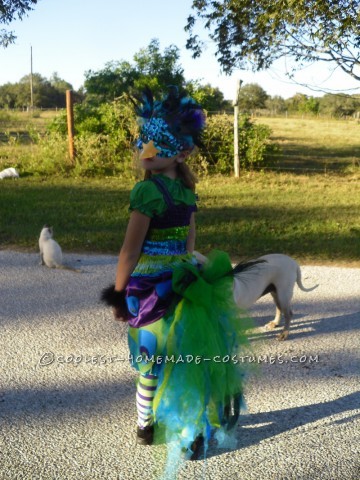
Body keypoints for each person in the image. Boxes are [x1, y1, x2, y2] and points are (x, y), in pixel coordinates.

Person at [101, 87, 251, 465]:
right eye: (143, 139)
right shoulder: (186, 192)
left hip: (149, 289)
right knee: (189, 358)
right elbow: (189, 239)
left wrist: (119, 294)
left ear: (180, 151)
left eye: (156, 142)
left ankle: (145, 424)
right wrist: (186, 262)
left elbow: (130, 251)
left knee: (149, 359)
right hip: (184, 285)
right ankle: (193, 431)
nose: (144, 148)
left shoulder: (147, 191)